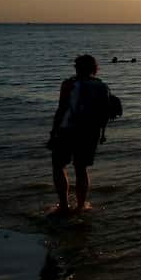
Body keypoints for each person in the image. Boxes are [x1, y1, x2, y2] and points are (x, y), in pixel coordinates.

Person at [48, 54, 113, 215]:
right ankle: (81, 206)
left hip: (67, 130)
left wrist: (53, 132)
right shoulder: (102, 86)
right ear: (94, 68)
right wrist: (102, 133)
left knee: (58, 166)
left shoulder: (69, 84)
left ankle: (63, 205)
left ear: (77, 68)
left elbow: (61, 109)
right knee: (81, 168)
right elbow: (105, 113)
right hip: (90, 133)